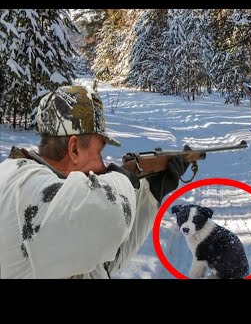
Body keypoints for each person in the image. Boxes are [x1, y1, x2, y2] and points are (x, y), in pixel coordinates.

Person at [0, 85, 189, 278]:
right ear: (74, 149)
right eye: (99, 152)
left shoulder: (58, 199)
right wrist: (123, 178)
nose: (102, 163)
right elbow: (105, 214)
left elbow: (104, 261)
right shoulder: (22, 185)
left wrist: (151, 194)